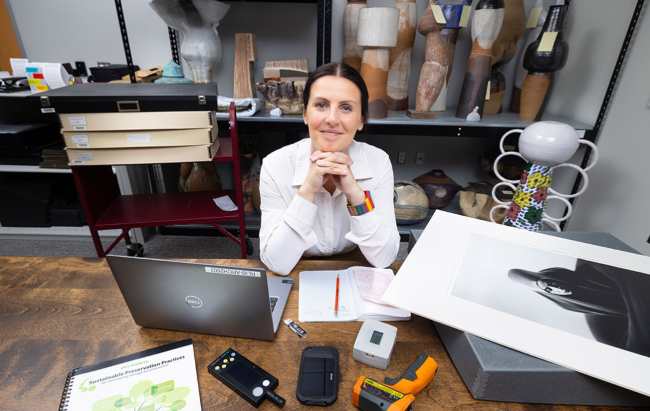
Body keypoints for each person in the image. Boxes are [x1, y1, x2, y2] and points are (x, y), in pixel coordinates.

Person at [259, 62, 400, 276]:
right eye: (321, 105)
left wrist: (355, 195)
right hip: (296, 263)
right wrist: (307, 191)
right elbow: (277, 262)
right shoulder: (275, 165)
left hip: (356, 263)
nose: (332, 119)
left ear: (361, 120)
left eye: (346, 107)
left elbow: (384, 258)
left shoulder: (378, 161)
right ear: (305, 113)